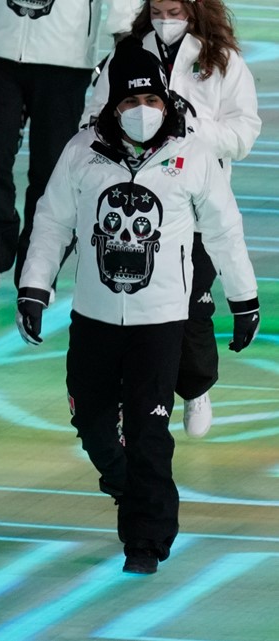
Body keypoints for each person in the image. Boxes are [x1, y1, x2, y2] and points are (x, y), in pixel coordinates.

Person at [16, 40, 259, 574]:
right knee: (93, 423)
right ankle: (125, 485)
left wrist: (243, 298)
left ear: (165, 98)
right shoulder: (82, 151)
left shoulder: (191, 153)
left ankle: (146, 539)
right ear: (111, 106)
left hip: (161, 320)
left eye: (149, 98)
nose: (141, 110)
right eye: (129, 103)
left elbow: (223, 229)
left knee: (150, 433)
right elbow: (52, 222)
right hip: (94, 316)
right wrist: (34, 287)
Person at [80, 0, 261, 438]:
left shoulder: (222, 60)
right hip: (135, 206)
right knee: (131, 305)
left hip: (196, 202)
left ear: (195, 9)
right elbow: (92, 118)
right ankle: (129, 403)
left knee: (192, 305)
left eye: (174, 9)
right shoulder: (125, 56)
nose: (166, 18)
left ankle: (195, 388)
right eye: (158, 9)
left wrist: (193, 128)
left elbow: (244, 133)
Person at [0, 0, 140, 298]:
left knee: (52, 168)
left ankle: (39, 267)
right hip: (0, 45)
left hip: (65, 55)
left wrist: (124, 29)